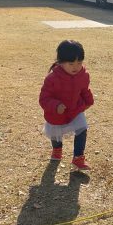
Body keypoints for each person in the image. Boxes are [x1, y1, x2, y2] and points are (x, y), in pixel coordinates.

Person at [39, 40, 94, 172]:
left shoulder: (83, 75)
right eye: (71, 64)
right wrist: (56, 106)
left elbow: (84, 90)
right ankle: (57, 149)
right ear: (61, 62)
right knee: (55, 134)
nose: (76, 67)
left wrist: (88, 100)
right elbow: (44, 98)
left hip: (75, 110)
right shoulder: (52, 78)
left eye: (79, 63)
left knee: (82, 129)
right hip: (56, 114)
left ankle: (78, 158)